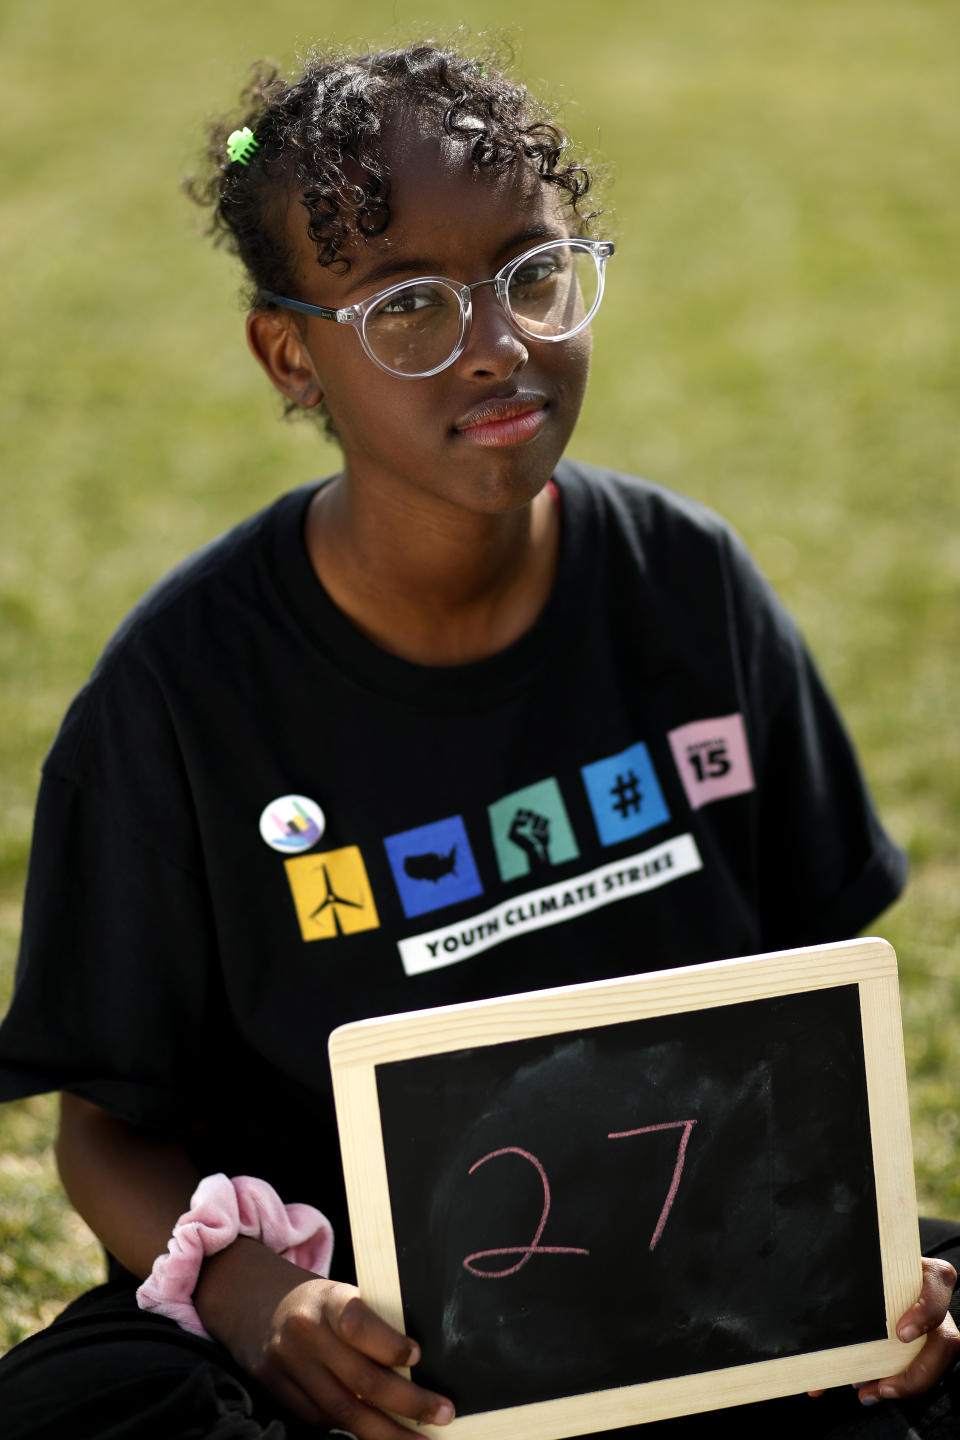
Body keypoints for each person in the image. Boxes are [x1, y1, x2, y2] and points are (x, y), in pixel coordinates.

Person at [0, 40, 956, 1440]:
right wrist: (263, 1303)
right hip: (379, 1351)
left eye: (531, 274)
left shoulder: (687, 588)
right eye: (404, 308)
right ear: (289, 352)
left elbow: (815, 1019)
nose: (498, 343)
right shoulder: (180, 700)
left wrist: (880, 1281)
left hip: (706, 1295)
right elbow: (103, 1133)